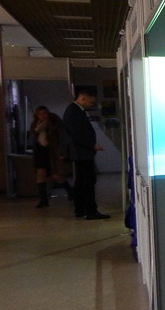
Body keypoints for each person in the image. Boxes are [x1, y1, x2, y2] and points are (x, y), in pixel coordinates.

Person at [62, 87, 109, 219]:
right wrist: (92, 145)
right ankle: (90, 211)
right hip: (82, 153)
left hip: (81, 152)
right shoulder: (74, 111)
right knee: (88, 181)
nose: (91, 104)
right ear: (83, 98)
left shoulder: (75, 110)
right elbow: (77, 134)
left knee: (82, 181)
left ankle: (81, 209)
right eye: (90, 102)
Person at [30, 106, 73, 207]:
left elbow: (63, 137)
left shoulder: (54, 122)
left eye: (44, 113)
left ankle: (71, 191)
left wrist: (62, 152)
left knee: (56, 175)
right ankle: (43, 200)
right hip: (40, 151)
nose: (42, 116)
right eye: (40, 114)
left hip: (53, 151)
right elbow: (33, 137)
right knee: (40, 175)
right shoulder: (35, 124)